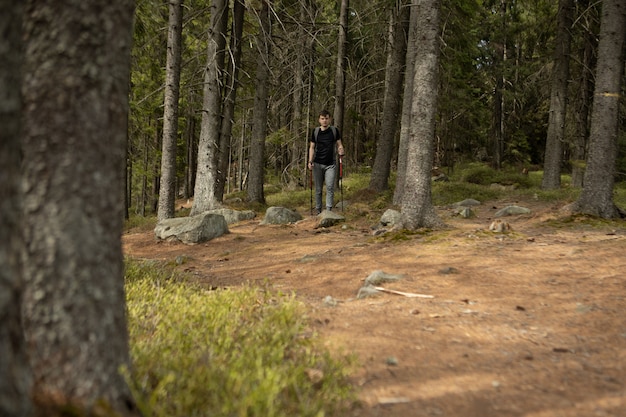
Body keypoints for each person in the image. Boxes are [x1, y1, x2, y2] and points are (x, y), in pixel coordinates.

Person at [308, 110, 345, 214]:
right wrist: (310, 161)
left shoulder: (334, 131)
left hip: (331, 164)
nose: (324, 121)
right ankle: (318, 210)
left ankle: (328, 210)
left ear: (330, 119)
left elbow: (339, 144)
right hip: (317, 163)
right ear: (319, 120)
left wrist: (341, 149)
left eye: (326, 118)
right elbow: (312, 147)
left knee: (329, 187)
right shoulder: (315, 132)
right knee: (318, 189)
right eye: (322, 119)